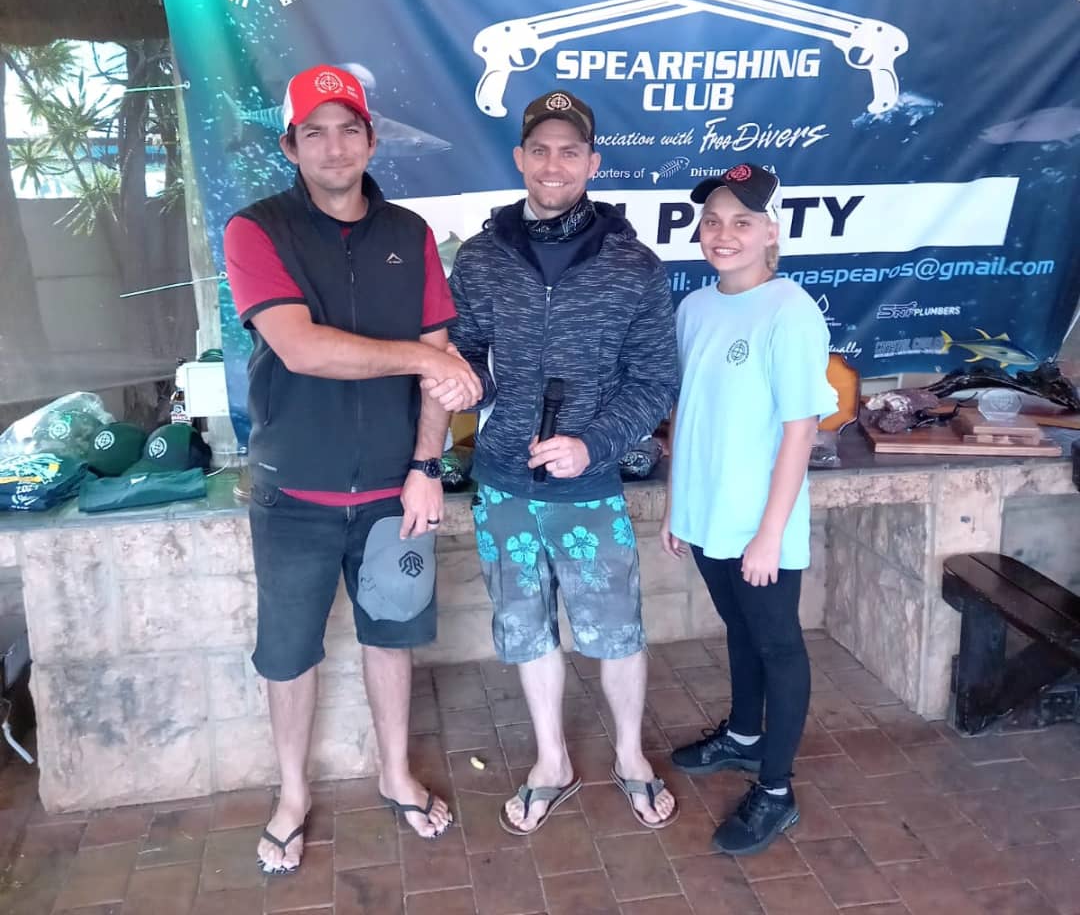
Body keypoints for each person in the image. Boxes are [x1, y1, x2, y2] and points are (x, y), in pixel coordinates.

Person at [223, 64, 482, 873]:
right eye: (315, 133)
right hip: (293, 496)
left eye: (348, 130)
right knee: (289, 653)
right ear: (290, 146)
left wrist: (426, 464)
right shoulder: (256, 231)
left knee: (391, 637)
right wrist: (423, 359)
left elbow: (438, 354)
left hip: (391, 497)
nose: (333, 147)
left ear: (371, 140)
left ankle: (395, 773)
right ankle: (292, 795)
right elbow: (301, 348)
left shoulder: (410, 234)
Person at [439, 90, 680, 834]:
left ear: (592, 162)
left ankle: (631, 756)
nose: (554, 164)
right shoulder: (481, 259)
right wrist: (465, 382)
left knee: (615, 628)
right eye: (539, 150)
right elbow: (464, 354)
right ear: (519, 158)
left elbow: (655, 381)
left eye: (569, 151)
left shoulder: (633, 265)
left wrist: (591, 444)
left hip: (591, 486)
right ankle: (552, 761)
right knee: (524, 626)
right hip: (504, 481)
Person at [661, 163, 837, 856]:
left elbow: (801, 429)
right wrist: (677, 504)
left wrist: (770, 534)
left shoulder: (790, 311)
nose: (723, 233)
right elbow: (687, 412)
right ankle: (742, 735)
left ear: (771, 232)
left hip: (760, 524)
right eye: (712, 221)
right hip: (707, 515)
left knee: (778, 645)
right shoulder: (694, 308)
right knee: (739, 628)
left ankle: (776, 790)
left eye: (742, 221)